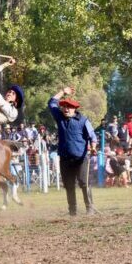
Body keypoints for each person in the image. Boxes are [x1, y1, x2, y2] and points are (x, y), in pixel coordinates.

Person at [48, 86, 97, 216]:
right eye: (64, 106)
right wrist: (63, 92)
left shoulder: (83, 120)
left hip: (81, 159)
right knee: (69, 185)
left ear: (75, 108)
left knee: (84, 183)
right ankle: (72, 212)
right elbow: (51, 103)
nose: (66, 109)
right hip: (65, 158)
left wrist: (93, 147)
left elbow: (92, 136)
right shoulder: (59, 117)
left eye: (69, 107)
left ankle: (90, 208)